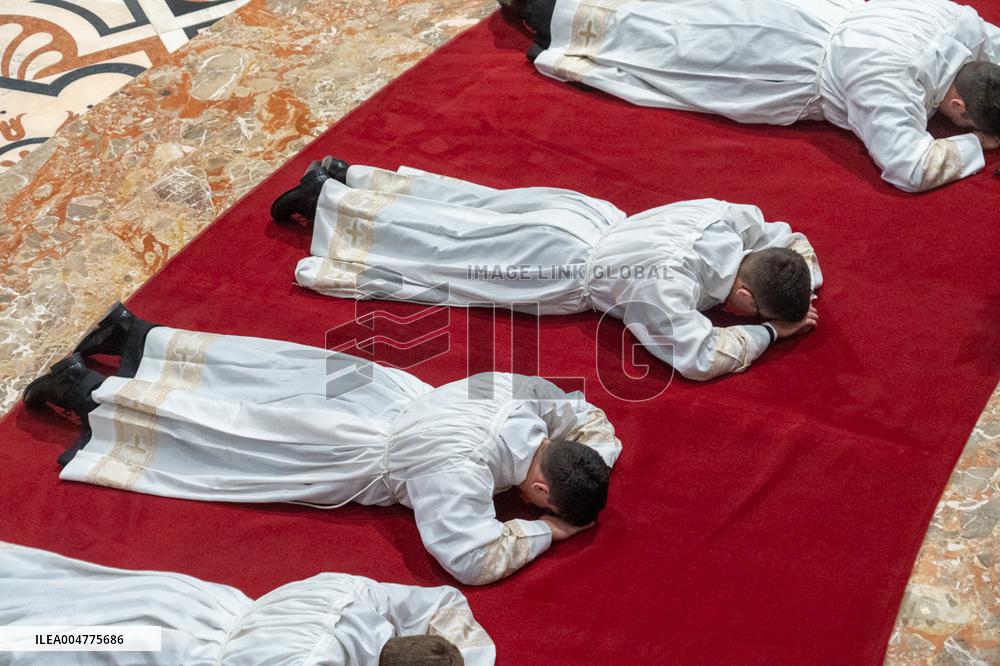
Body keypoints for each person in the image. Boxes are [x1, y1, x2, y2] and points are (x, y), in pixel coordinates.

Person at [22, 303, 621, 586]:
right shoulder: (459, 472)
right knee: (225, 431)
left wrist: (590, 468)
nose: (533, 508)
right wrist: (547, 532)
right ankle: (86, 393)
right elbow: (471, 560)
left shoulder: (521, 399)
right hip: (348, 447)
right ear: (540, 488)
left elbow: (582, 415)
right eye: (541, 502)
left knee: (257, 369)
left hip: (380, 390)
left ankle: (130, 336)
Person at [272, 158, 822, 382]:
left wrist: (803, 281)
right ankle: (326, 203)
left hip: (583, 214)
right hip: (553, 266)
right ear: (745, 296)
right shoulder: (667, 286)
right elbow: (698, 357)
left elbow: (785, 240)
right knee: (441, 252)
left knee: (467, 209)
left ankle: (354, 177)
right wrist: (770, 331)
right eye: (749, 308)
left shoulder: (727, 218)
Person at [501, 0, 1000, 192]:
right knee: (664, 43)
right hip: (769, 60)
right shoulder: (892, 82)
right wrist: (981, 144)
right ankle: (544, 15)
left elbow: (988, 37)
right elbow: (909, 167)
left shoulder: (945, 16)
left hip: (801, 15)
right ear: (957, 108)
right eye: (959, 122)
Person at [0, 541, 494, 665]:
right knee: (48, 640)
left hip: (190, 603)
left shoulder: (352, 597)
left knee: (68, 591)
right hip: (165, 652)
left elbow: (440, 606)